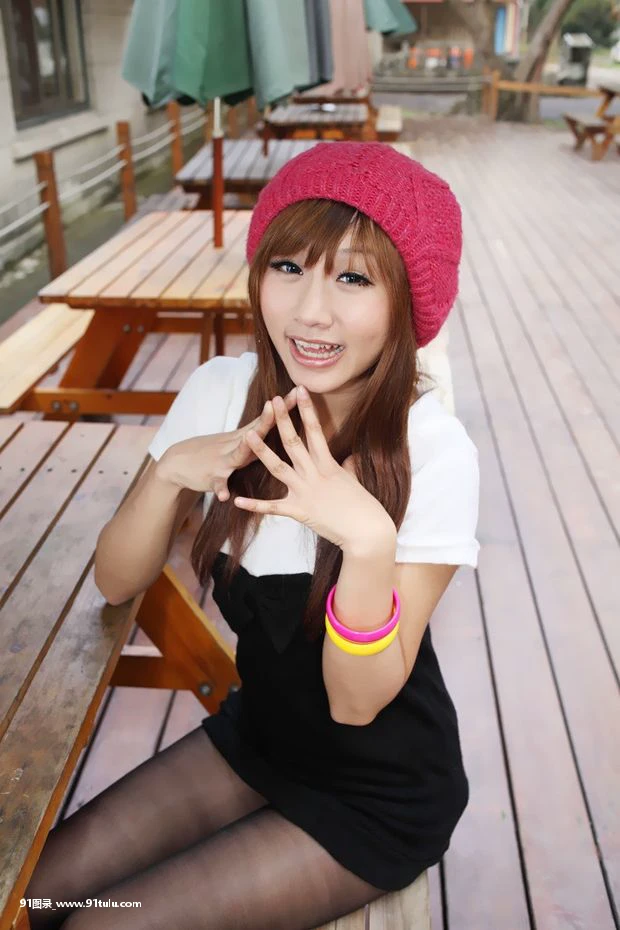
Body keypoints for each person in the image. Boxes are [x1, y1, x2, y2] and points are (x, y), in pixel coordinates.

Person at [25, 142, 480, 930]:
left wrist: (368, 545)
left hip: (378, 794)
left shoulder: (433, 452)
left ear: (406, 301)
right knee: (34, 895)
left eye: (353, 279)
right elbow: (115, 580)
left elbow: (356, 703)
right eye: (288, 268)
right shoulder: (221, 391)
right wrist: (169, 472)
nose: (310, 312)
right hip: (260, 740)